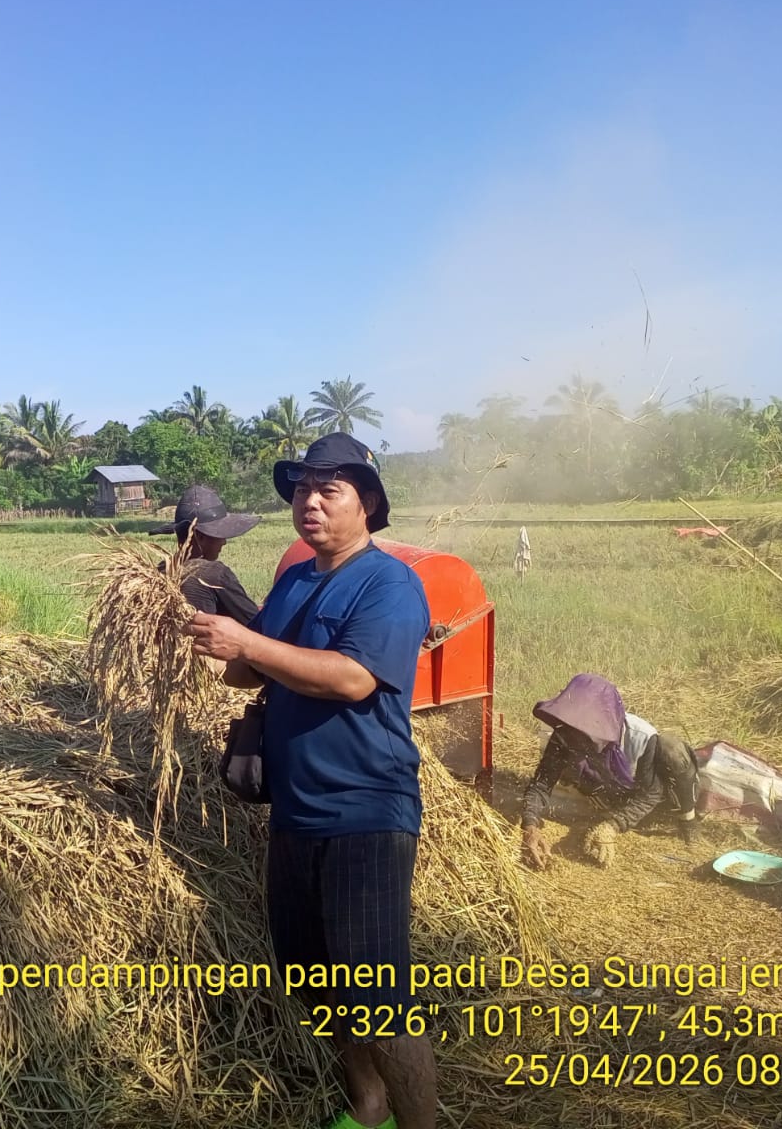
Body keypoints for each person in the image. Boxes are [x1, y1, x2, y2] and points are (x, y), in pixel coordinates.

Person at [183, 432, 437, 1129]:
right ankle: (368, 1106)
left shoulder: (389, 584)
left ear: (369, 504)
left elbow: (354, 678)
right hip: (296, 812)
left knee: (379, 1002)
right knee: (315, 980)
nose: (310, 503)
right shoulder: (294, 579)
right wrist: (203, 642)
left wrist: (250, 644)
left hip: (366, 813)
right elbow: (251, 668)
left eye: (330, 491)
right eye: (301, 490)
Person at [518, 672, 701, 870]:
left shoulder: (641, 738)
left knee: (673, 751)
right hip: (605, 791)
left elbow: (651, 794)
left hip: (644, 791)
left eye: (586, 732)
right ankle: (608, 808)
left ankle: (688, 822)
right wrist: (530, 827)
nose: (578, 738)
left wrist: (611, 826)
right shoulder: (565, 735)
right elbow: (540, 785)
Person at [150, 484, 261, 626]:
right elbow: (257, 624)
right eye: (220, 534)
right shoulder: (214, 573)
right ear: (199, 536)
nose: (224, 542)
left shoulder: (159, 570)